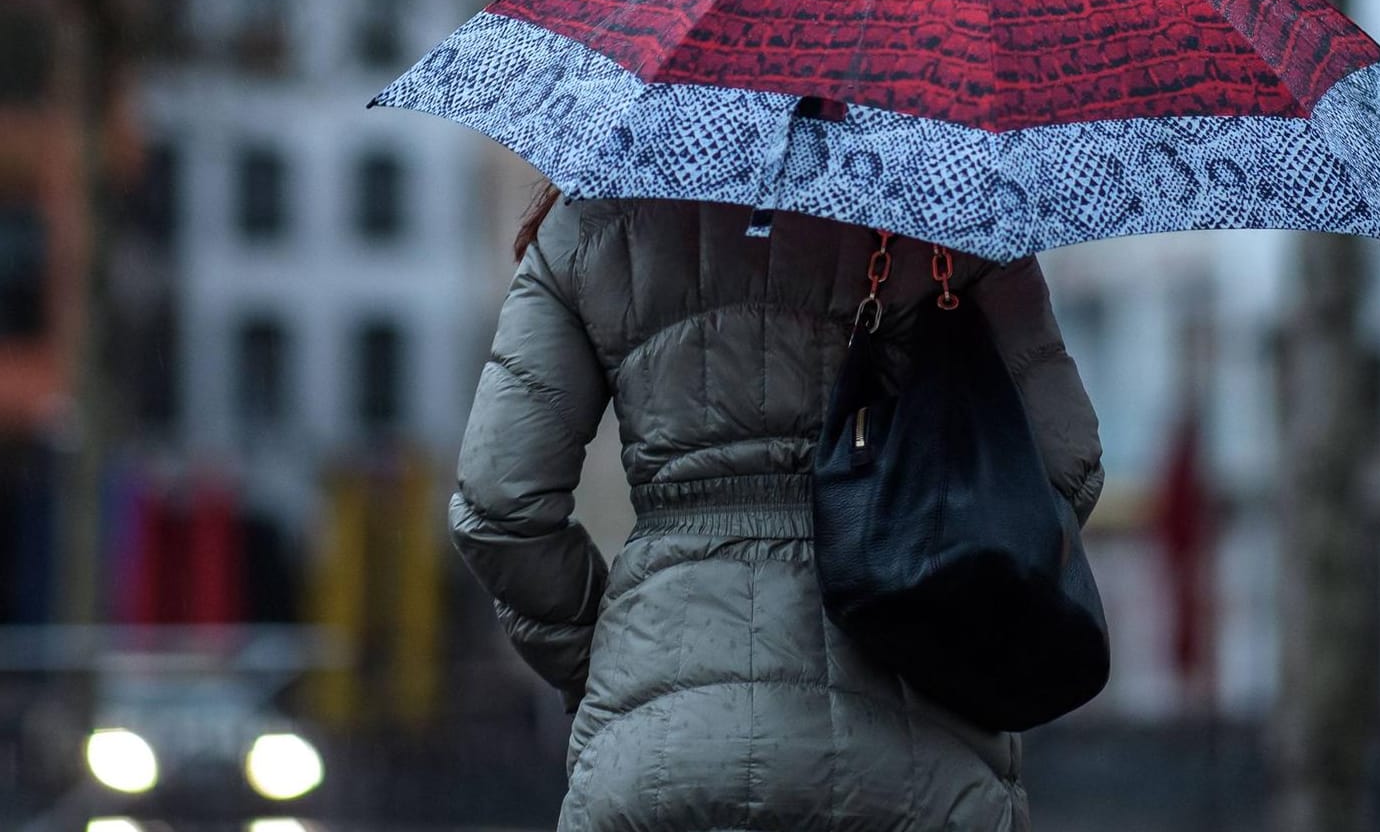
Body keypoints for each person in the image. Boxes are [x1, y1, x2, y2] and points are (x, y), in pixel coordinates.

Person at [450, 184, 1105, 831]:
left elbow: (501, 505)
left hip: (658, 760)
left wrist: (610, 663)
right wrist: (945, 607)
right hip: (920, 760)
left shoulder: (589, 218)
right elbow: (1063, 467)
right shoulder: (947, 201)